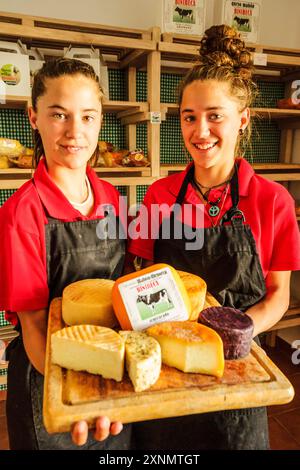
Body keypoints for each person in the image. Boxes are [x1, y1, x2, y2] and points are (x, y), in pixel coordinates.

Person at [128, 25, 300, 450]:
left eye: (214, 116)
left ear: (242, 120)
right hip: (167, 364)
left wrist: (239, 333)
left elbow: (278, 294)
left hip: (237, 370)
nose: (200, 131)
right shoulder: (160, 194)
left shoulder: (272, 201)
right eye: (190, 117)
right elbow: (138, 269)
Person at [0, 58, 129, 450]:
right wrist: (81, 396)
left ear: (101, 120)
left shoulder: (109, 197)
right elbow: (36, 325)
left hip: (107, 376)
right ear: (33, 117)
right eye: (59, 115)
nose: (75, 132)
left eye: (88, 117)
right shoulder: (21, 213)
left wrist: (114, 382)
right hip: (50, 382)